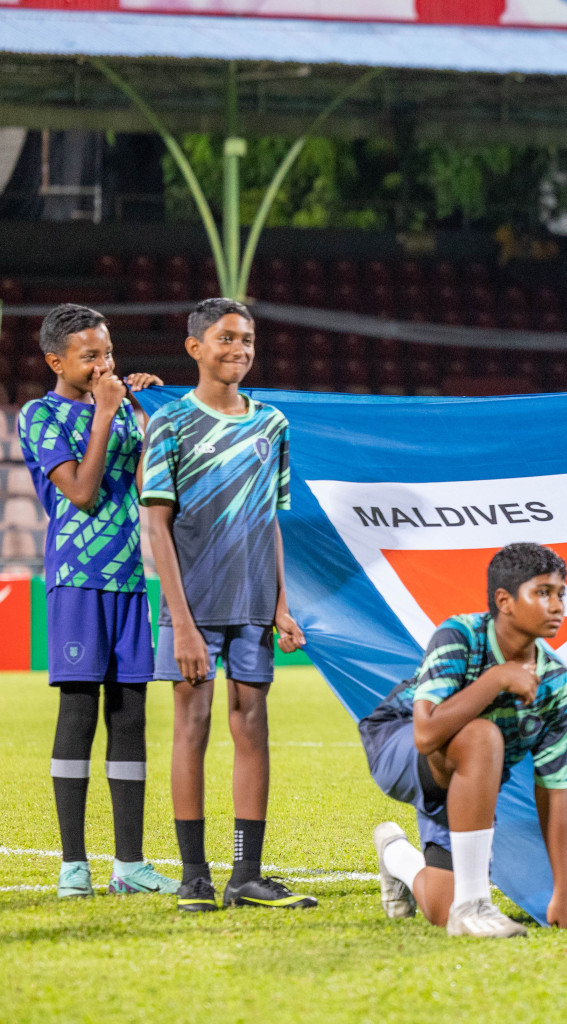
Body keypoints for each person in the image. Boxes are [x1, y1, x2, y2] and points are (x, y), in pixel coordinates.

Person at [140, 297, 311, 912]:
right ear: (195, 347)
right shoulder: (170, 425)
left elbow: (270, 524)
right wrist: (181, 625)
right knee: (191, 727)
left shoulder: (272, 424)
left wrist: (281, 606)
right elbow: (157, 526)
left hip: (253, 606)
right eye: (225, 338)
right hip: (194, 608)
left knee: (252, 726)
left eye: (247, 339)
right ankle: (194, 876)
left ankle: (246, 874)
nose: (238, 349)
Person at [16, 303, 175, 898]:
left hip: (130, 582)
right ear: (56, 360)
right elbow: (81, 494)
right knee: (79, 713)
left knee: (130, 718)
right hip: (76, 582)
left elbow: (145, 491)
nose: (104, 364)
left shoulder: (123, 412)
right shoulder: (40, 415)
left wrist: (144, 414)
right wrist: (108, 411)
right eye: (90, 356)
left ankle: (129, 865)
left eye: (108, 354)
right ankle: (73, 866)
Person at [360, 543, 567, 938]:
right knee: (482, 734)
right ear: (504, 601)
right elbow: (426, 734)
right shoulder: (459, 635)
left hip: (468, 781)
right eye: (543, 592)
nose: (557, 605)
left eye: (560, 594)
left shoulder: (558, 685)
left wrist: (564, 891)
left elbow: (554, 791)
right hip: (399, 741)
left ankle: (394, 854)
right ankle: (474, 905)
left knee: (438, 907)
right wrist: (496, 679)